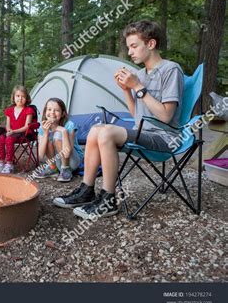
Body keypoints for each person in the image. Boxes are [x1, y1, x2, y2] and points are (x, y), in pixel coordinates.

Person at [53, 20, 184, 219]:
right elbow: (136, 115)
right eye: (129, 47)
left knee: (105, 132)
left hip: (165, 138)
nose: (130, 52)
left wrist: (138, 87)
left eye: (134, 46)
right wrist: (126, 91)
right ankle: (87, 190)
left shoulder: (170, 70)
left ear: (151, 44)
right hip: (143, 132)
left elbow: (166, 115)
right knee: (97, 128)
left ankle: (108, 200)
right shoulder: (140, 74)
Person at [35, 98, 83, 182]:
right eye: (49, 109)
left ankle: (65, 169)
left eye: (56, 110)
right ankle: (53, 168)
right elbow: (41, 155)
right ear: (45, 111)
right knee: (48, 139)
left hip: (72, 160)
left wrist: (63, 131)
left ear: (63, 113)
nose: (52, 113)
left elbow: (68, 153)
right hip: (57, 160)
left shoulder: (69, 125)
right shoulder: (42, 128)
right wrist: (46, 133)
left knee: (58, 135)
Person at [0, 85, 35, 174]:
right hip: (12, 132)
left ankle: (9, 164)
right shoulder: (9, 110)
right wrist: (9, 131)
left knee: (9, 139)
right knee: (1, 138)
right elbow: (8, 125)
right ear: (13, 97)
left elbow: (26, 127)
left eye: (23, 96)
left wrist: (13, 131)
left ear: (27, 98)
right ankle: (1, 163)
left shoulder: (29, 110)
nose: (20, 99)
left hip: (24, 134)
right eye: (18, 96)